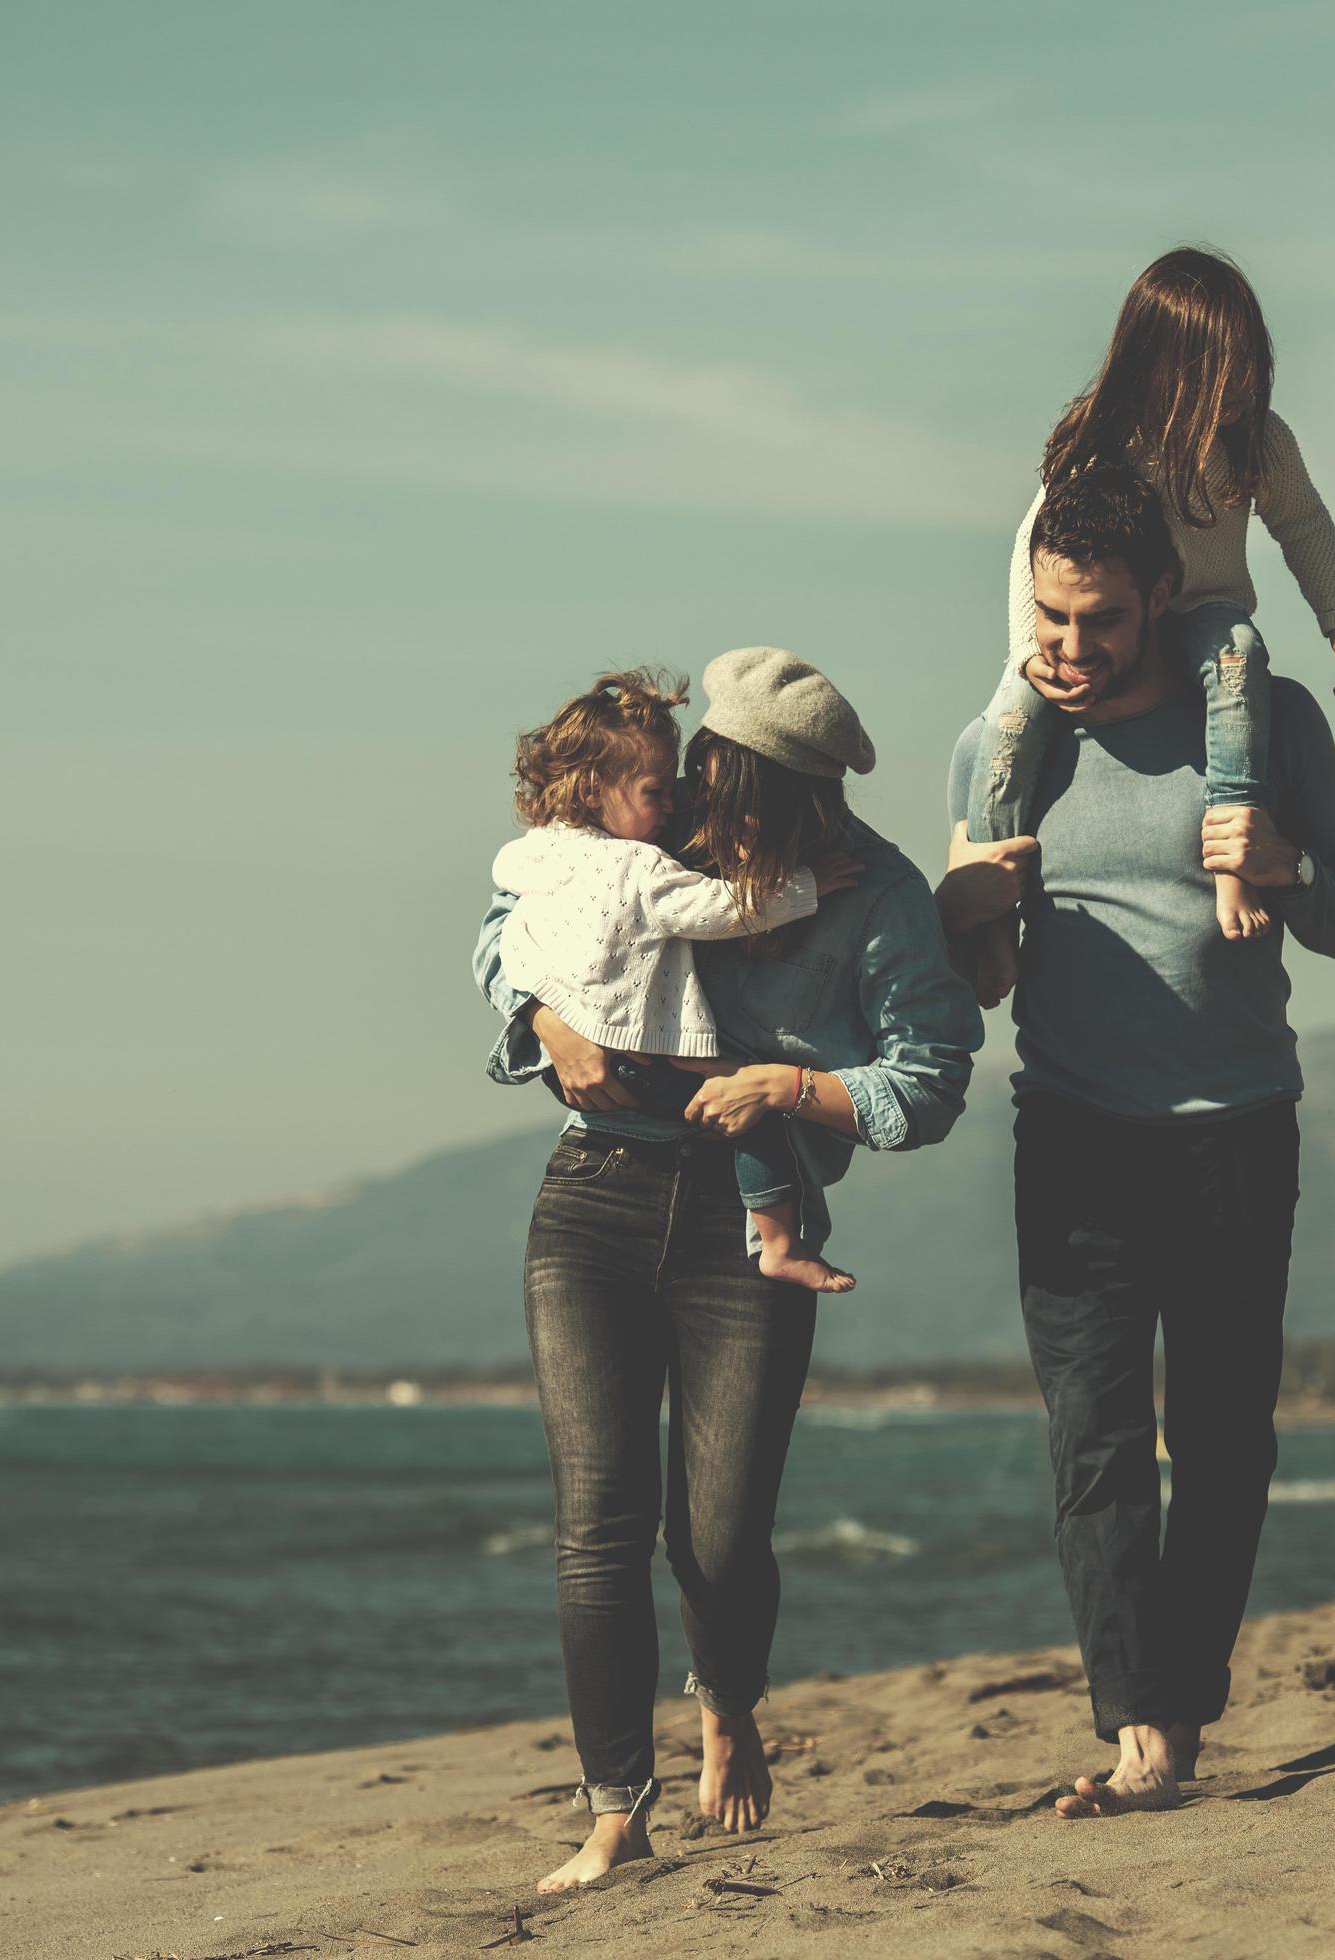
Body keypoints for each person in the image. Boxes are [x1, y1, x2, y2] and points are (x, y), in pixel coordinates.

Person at [473, 646, 982, 1891]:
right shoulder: (650, 830)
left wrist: (792, 1085)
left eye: (734, 797)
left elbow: (931, 1084)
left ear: (805, 803)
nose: (707, 815)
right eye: (701, 785)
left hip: (750, 1219)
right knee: (598, 1526)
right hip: (591, 1196)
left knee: (719, 1532)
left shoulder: (875, 895)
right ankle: (612, 1811)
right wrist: (544, 1023)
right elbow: (503, 935)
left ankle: (730, 1703)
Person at [939, 457, 1335, 1819]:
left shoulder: (1265, 724)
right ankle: (1146, 1730)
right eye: (1049, 622)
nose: (1070, 652)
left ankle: (1179, 1698)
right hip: (1073, 1130)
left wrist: (1280, 862)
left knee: (1226, 1437)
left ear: (1156, 599)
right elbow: (977, 985)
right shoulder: (1000, 752)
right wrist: (967, 911)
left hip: (1237, 1128)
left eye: (1099, 622)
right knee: (1093, 1440)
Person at [964, 244, 1335, 1001]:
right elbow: (1037, 543)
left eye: (1250, 362)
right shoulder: (1106, 443)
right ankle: (993, 919)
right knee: (1006, 729)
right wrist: (1030, 653)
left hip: (1206, 608)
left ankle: (1229, 851)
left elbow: (1302, 524)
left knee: (1239, 658)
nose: (1243, 383)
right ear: (1165, 366)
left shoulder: (1259, 442)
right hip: (1118, 620)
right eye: (1224, 368)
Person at [492, 666, 865, 1292]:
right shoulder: (639, 865)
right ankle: (777, 1244)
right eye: (654, 793)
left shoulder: (534, 851)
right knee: (754, 1107)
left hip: (572, 1064)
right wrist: (807, 887)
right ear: (592, 792)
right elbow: (721, 909)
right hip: (636, 1062)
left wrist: (540, 1017)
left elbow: (500, 929)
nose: (673, 807)